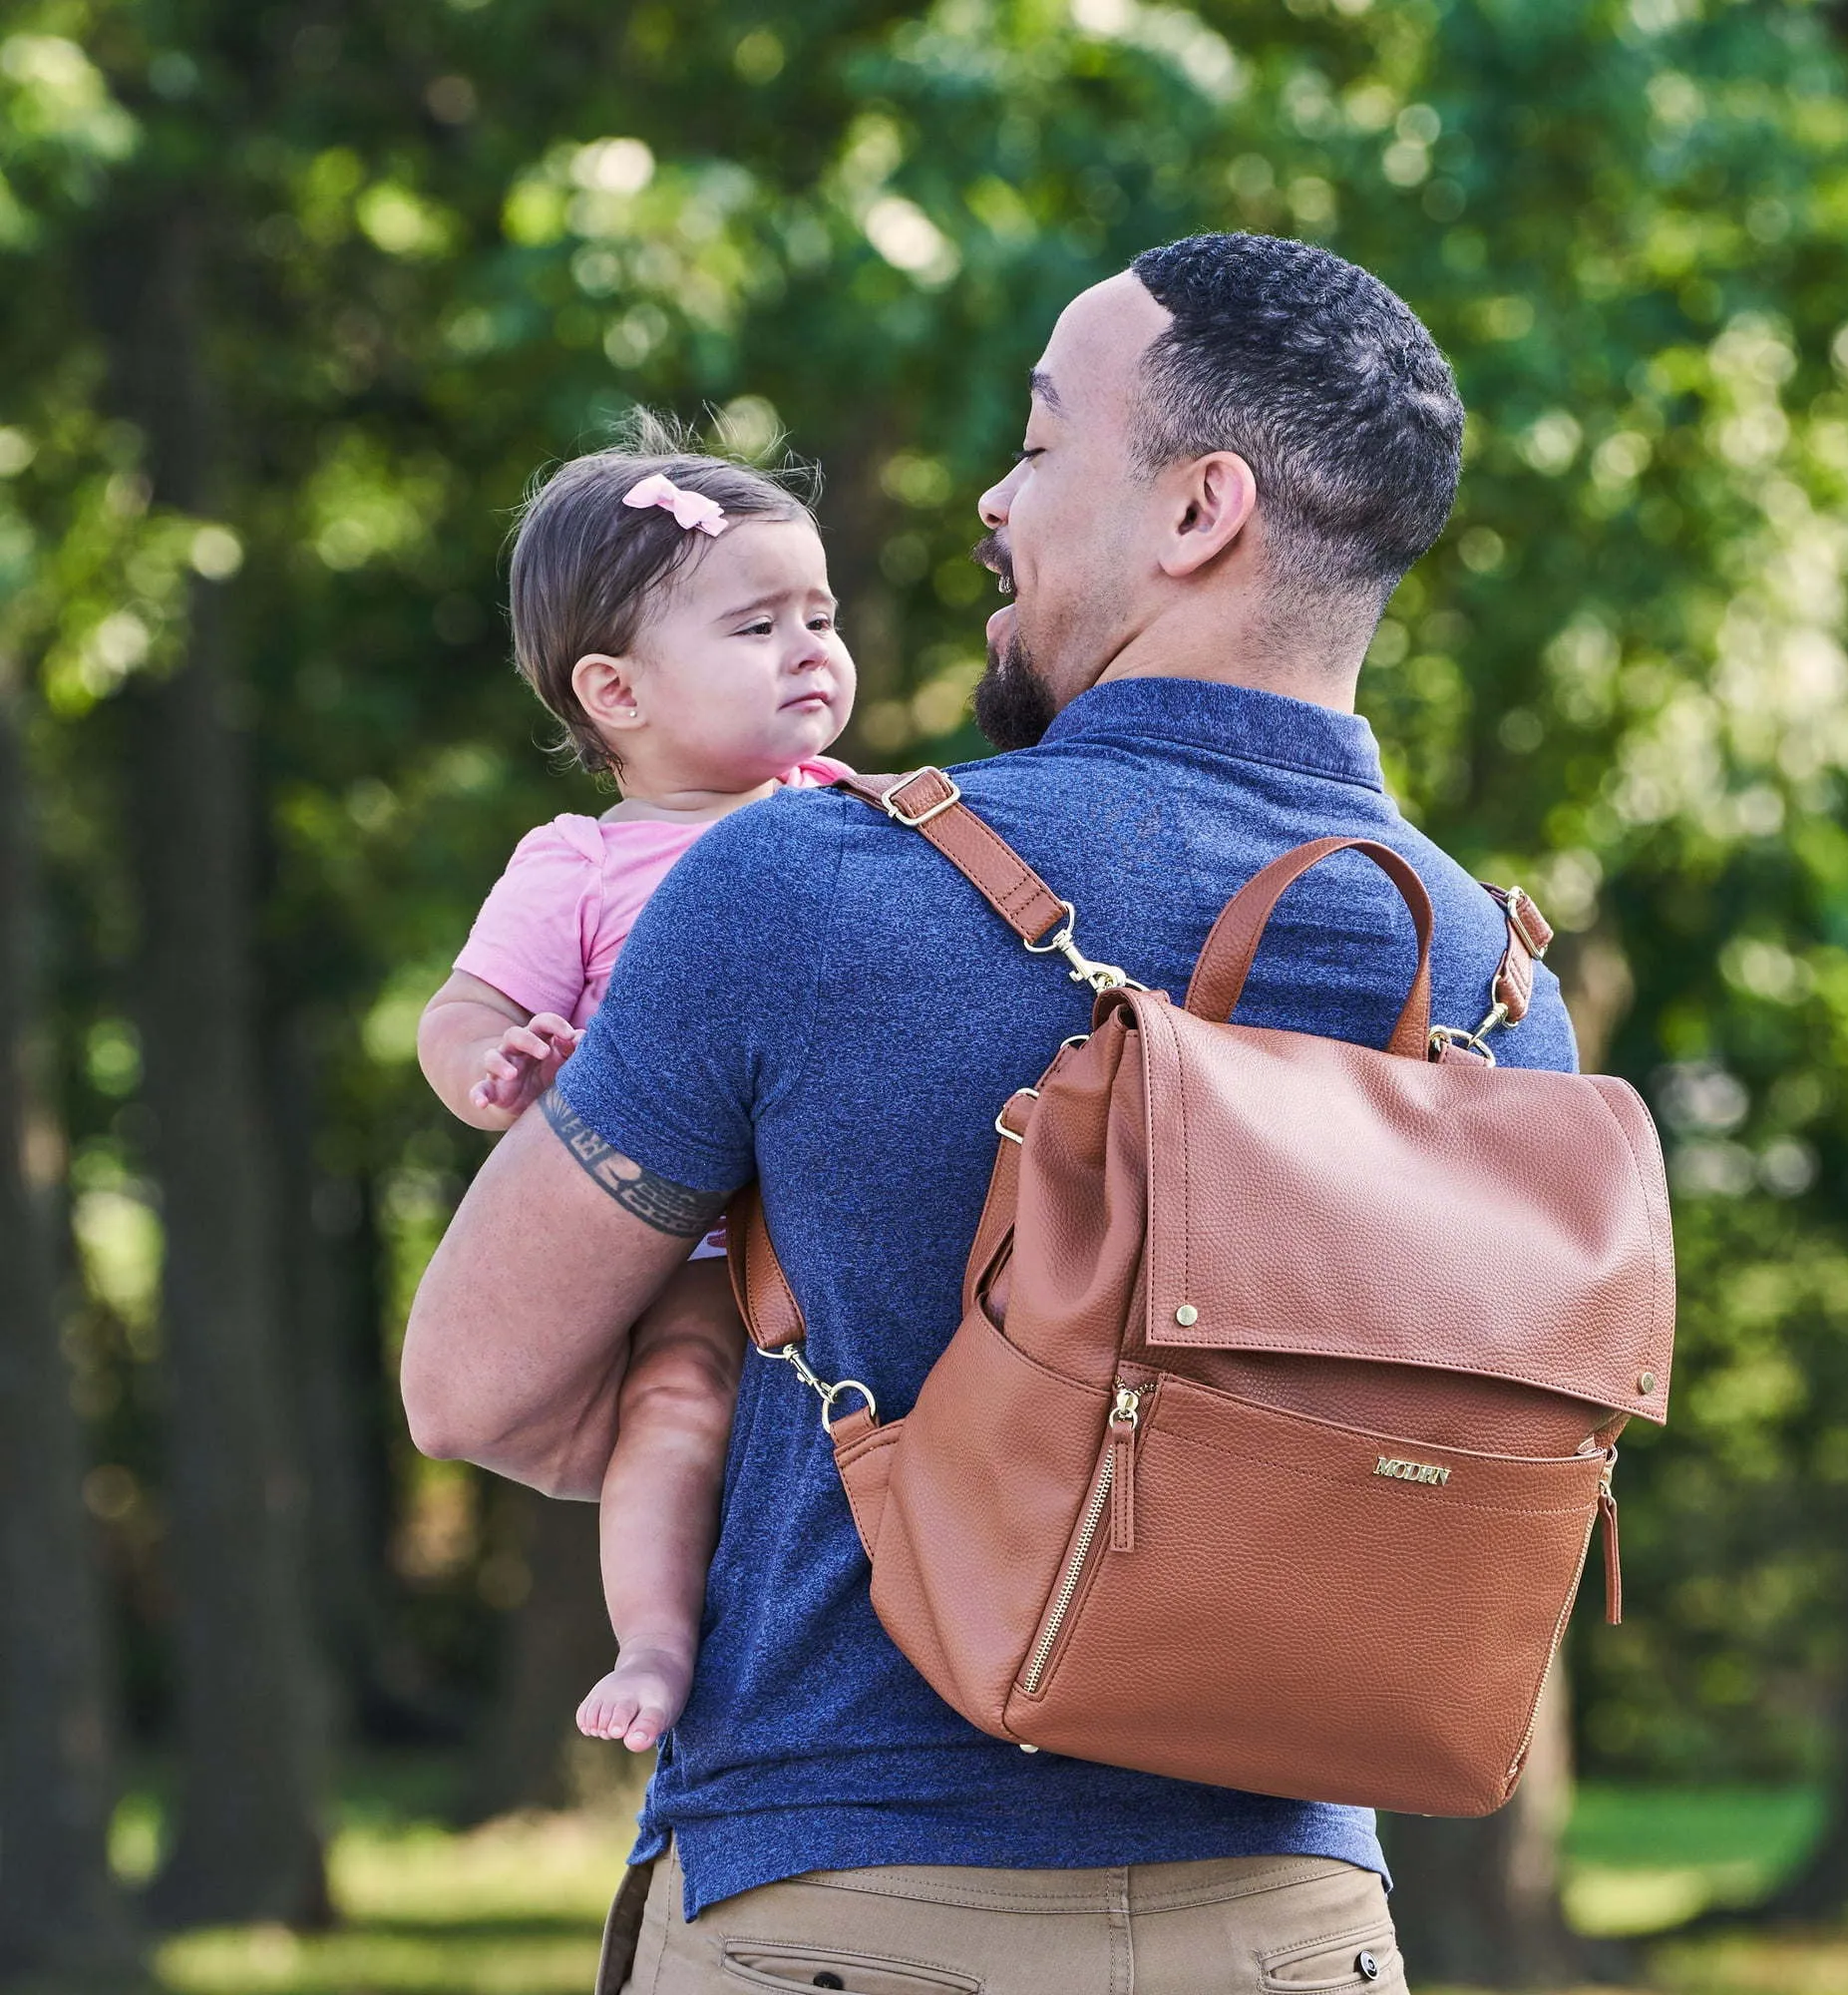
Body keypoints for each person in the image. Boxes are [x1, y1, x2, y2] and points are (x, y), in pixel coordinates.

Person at [403, 232, 1581, 1994]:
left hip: (845, 1892)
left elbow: (470, 1385)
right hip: (1304, 1929)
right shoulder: (1497, 986)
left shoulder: (800, 882)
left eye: (1038, 447)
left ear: (1199, 512)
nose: (992, 501)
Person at [414, 420, 854, 1757]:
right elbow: (465, 1009)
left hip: (838, 1217)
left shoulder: (864, 813)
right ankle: (657, 1646)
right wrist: (499, 1074)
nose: (812, 649)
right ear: (616, 692)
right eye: (757, 626)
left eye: (820, 615)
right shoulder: (580, 864)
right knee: (676, 1396)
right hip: (680, 1236)